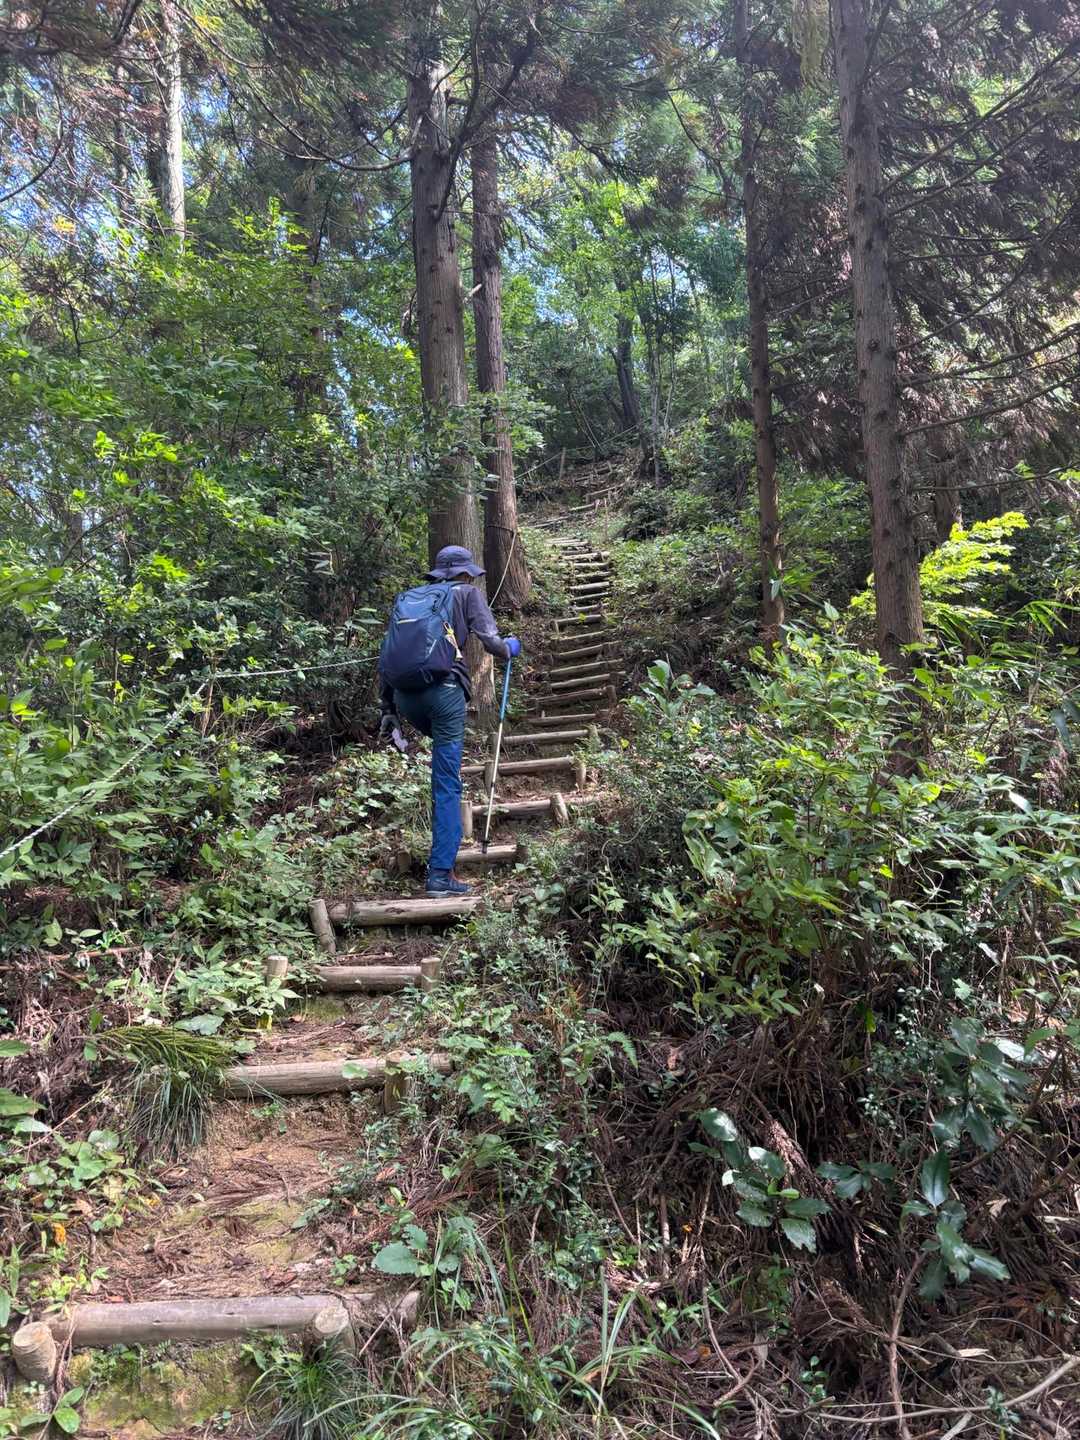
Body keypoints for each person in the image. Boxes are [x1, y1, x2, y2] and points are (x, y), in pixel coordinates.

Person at [379, 545, 521, 896]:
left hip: (405, 697)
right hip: (444, 694)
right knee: (446, 781)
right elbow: (492, 643)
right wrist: (511, 648)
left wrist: (388, 709)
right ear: (464, 573)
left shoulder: (409, 599)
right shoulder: (467, 594)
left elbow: (389, 653)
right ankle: (440, 875)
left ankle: (443, 862)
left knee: (444, 770)